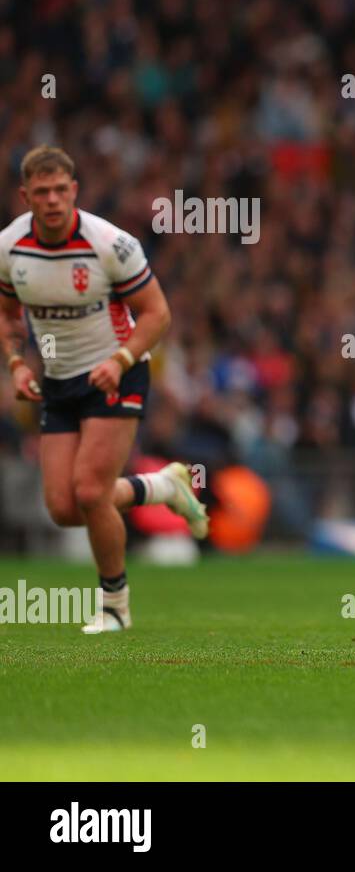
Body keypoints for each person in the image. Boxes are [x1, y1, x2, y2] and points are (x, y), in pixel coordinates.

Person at [0, 146, 208, 633]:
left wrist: (121, 359)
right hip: (57, 380)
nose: (52, 200)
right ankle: (161, 487)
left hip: (116, 371)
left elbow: (157, 314)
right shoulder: (10, 249)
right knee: (64, 507)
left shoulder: (111, 244)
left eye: (60, 190)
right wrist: (14, 364)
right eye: (41, 192)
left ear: (74, 191)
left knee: (91, 491)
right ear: (25, 196)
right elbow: (8, 316)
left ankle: (115, 606)